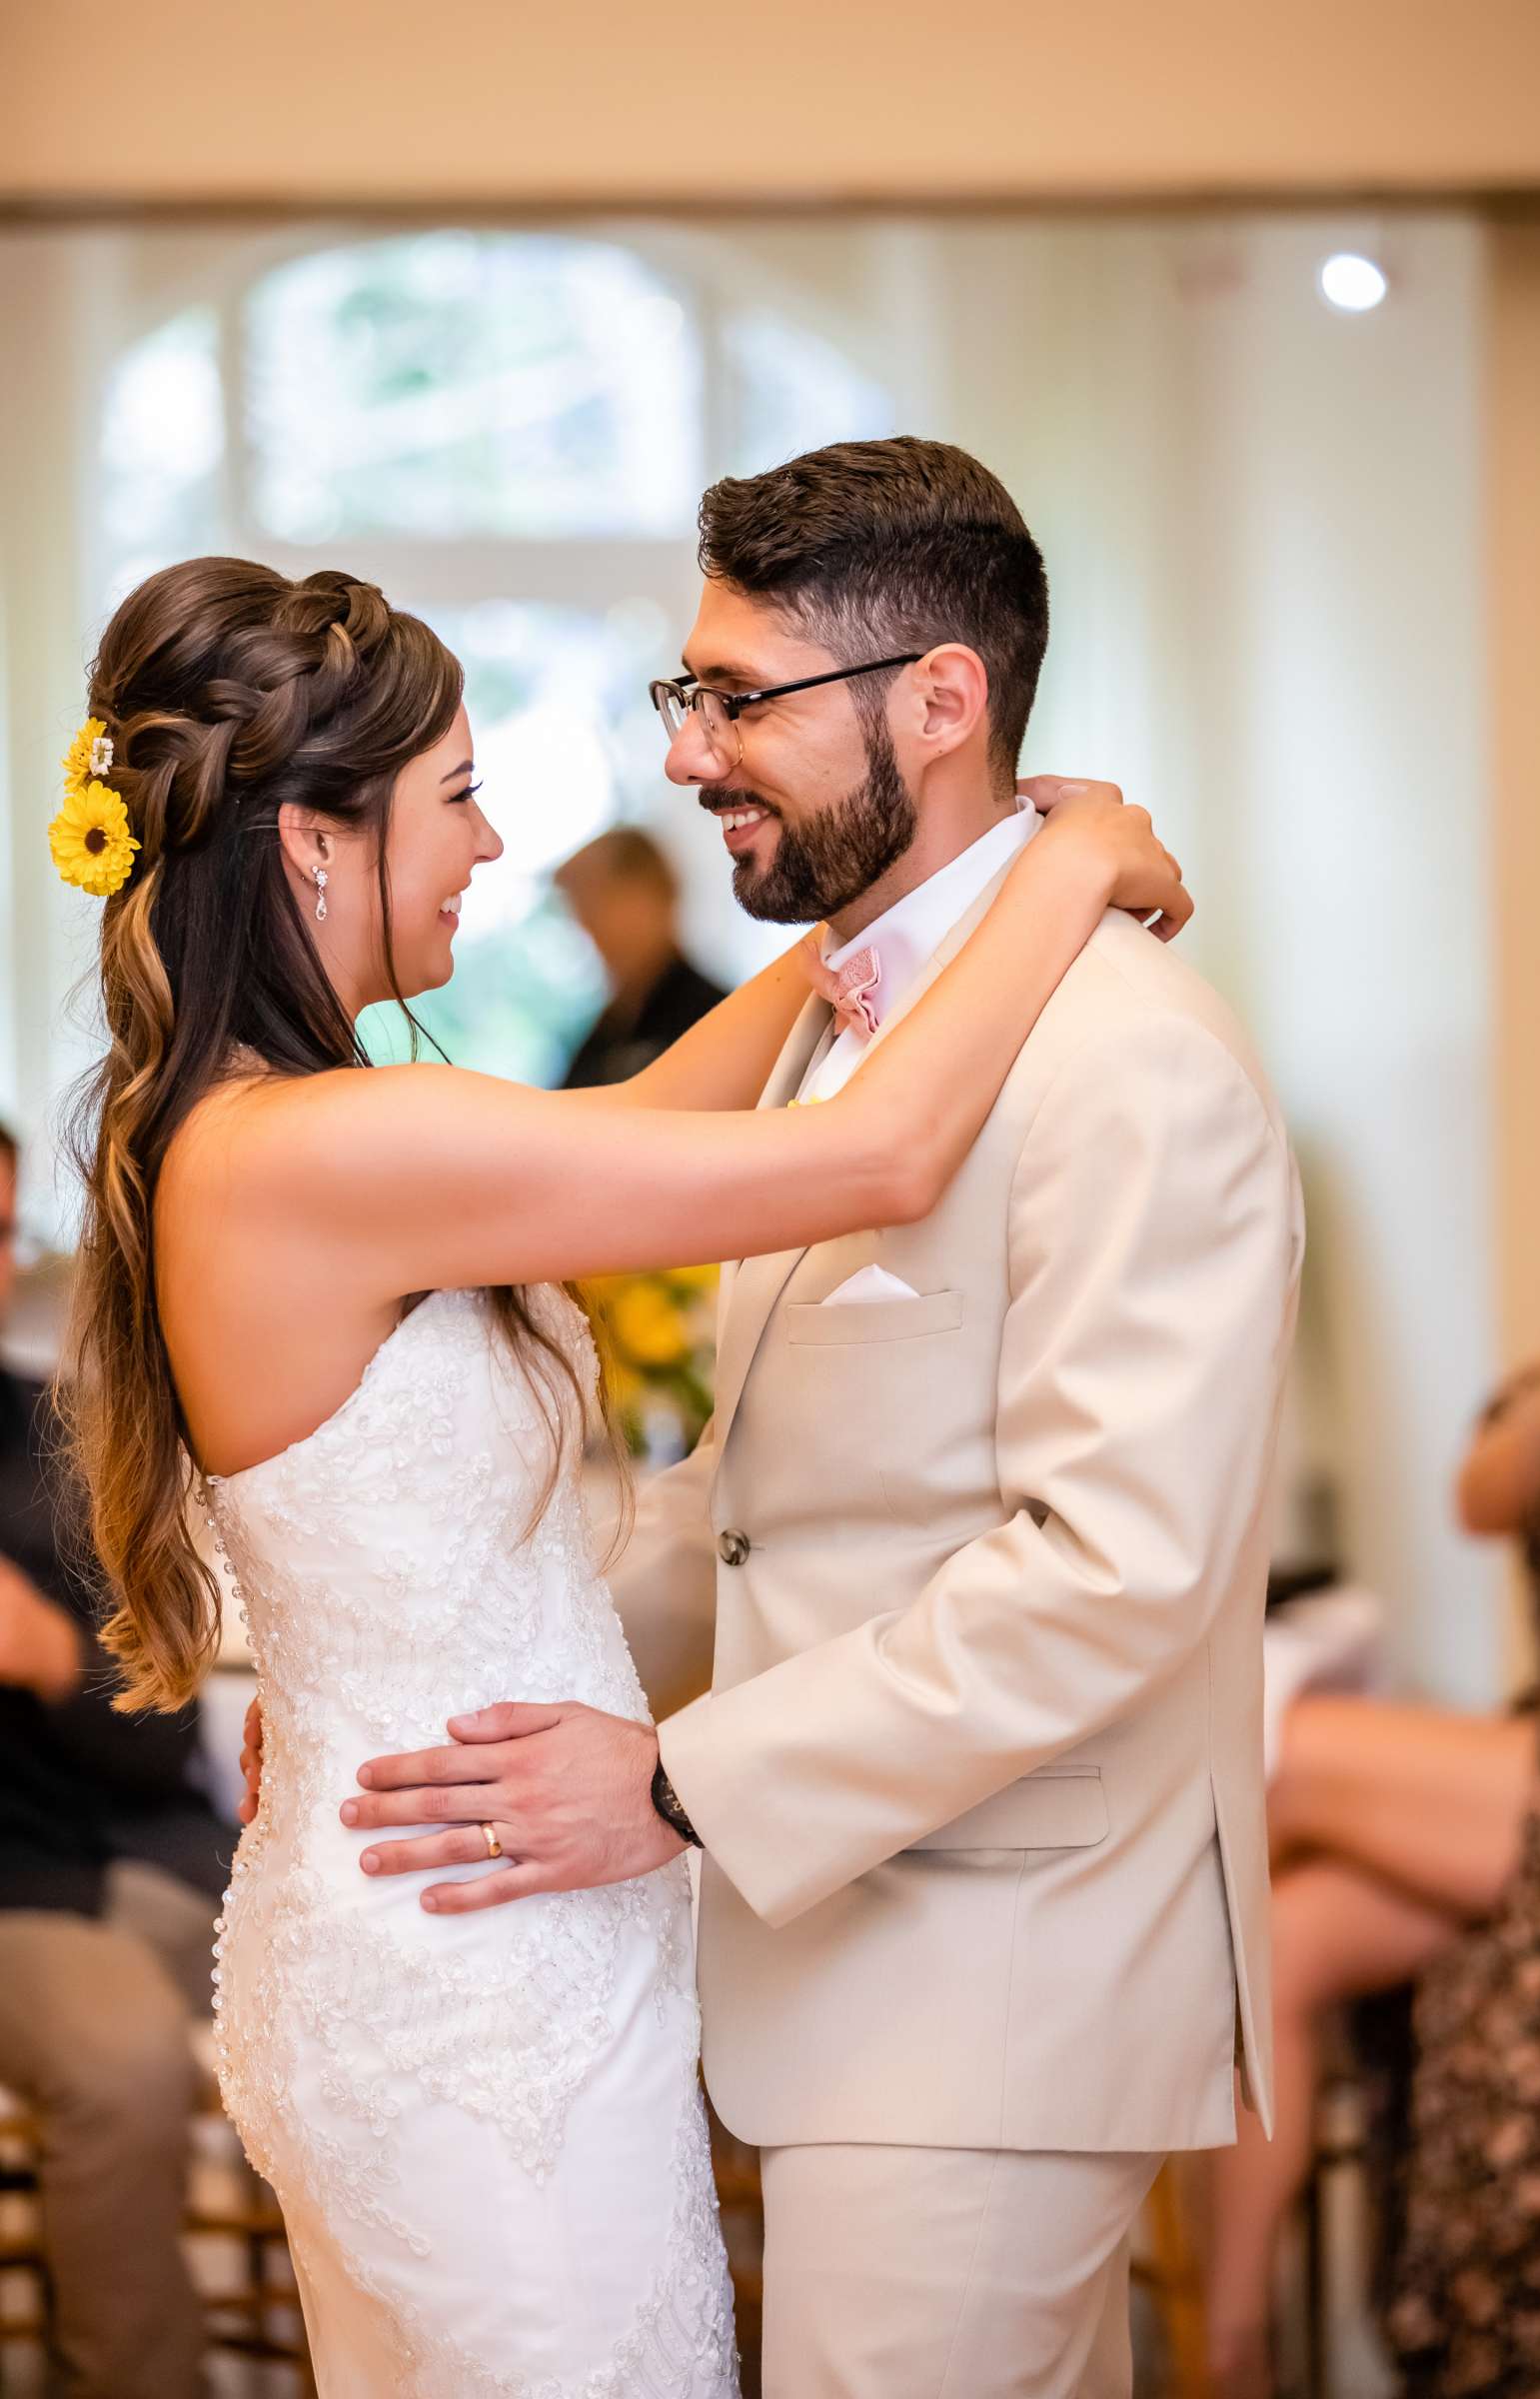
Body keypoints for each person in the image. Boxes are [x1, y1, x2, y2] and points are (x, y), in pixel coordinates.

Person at [64, 550, 1186, 2399]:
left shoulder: (282, 1127)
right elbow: (886, 1157)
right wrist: (1062, 870)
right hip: (470, 1982)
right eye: (458, 798)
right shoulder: (320, 1149)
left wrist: (892, 930)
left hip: (465, 1933)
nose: (494, 850)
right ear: (313, 845)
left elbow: (654, 1121)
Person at [327, 437, 1304, 2399]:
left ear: (938, 703)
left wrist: (678, 1784)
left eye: (736, 698)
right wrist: (433, 1705)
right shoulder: (844, 1040)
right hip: (857, 1960)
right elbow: (758, 1509)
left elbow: (1111, 1574)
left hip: (1003, 1978)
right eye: (686, 695)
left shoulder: (1126, 1064)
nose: (687, 756)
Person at [1205, 1239, 1540, 2399]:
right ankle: (1230, 2345)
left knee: (1286, 1752)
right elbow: (1478, 1499)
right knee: (1285, 1938)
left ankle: (1085, 2007)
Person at [0, 1119, 232, 2399]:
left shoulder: (74, 1439)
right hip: (31, 1899)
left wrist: (47, 1657)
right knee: (125, 2057)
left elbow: (163, 1740)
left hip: (126, 1861)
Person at [555, 826, 728, 1089]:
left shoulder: (715, 1016)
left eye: (598, 901)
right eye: (579, 908)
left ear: (652, 893)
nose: (587, 924)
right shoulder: (611, 1026)